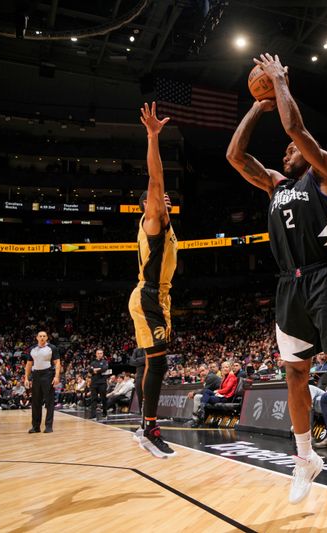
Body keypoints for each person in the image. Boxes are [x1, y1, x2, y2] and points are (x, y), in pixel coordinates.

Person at [226, 52, 327, 509]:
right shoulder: (275, 185)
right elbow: (235, 155)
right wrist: (258, 105)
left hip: (324, 278)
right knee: (295, 373)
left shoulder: (325, 173)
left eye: (291, 150)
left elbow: (296, 130)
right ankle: (303, 458)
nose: (285, 151)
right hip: (287, 285)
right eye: (285, 152)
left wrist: (279, 84)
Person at [129, 102, 178, 459]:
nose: (164, 197)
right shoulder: (153, 220)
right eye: (158, 198)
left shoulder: (165, 225)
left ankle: (144, 425)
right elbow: (155, 177)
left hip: (158, 297)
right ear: (148, 205)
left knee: (154, 361)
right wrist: (152, 137)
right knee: (157, 362)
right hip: (148, 296)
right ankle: (149, 428)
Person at [23, 331, 61, 433]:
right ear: (37, 338)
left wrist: (56, 376)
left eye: (44, 336)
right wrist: (26, 378)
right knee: (35, 402)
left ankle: (48, 426)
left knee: (49, 402)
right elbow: (29, 364)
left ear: (47, 337)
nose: (42, 337)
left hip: (48, 375)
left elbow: (57, 363)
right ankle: (35, 427)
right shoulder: (32, 349)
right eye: (40, 336)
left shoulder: (52, 348)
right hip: (36, 375)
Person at [89, 349, 109, 419]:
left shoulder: (105, 362)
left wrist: (95, 370)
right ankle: (93, 415)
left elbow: (104, 368)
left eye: (101, 353)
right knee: (93, 399)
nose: (100, 354)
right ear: (96, 354)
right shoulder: (93, 362)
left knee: (103, 398)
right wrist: (96, 369)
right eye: (98, 353)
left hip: (102, 383)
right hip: (94, 383)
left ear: (102, 354)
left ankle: (105, 413)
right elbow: (90, 370)